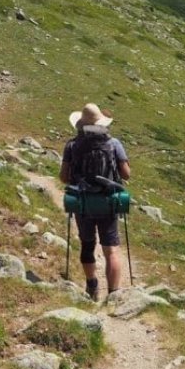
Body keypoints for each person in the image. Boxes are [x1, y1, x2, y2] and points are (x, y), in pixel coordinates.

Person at [59, 103, 131, 300]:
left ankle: (92, 285)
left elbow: (64, 177)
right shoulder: (114, 143)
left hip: (83, 204)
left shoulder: (72, 145)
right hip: (108, 203)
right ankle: (114, 294)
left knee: (87, 245)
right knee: (111, 249)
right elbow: (126, 174)